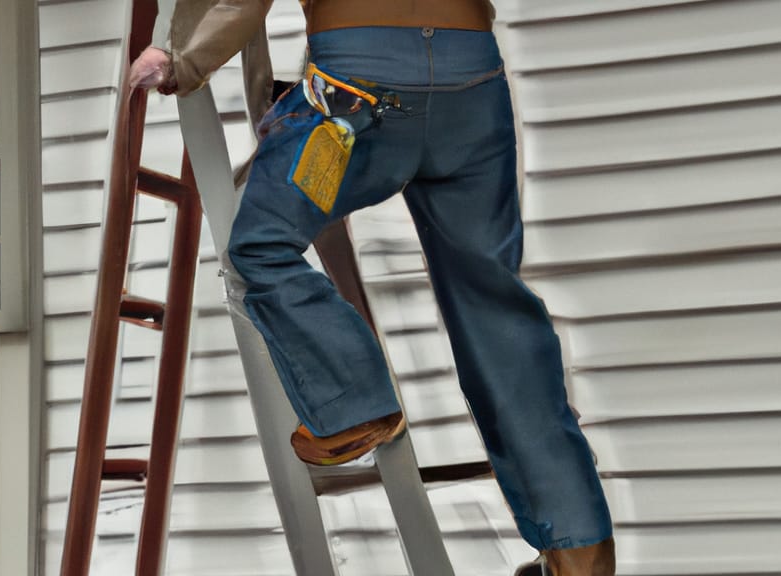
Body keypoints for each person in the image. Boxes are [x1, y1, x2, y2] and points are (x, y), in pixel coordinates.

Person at [130, 1, 615, 574]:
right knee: (495, 313)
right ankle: (579, 551)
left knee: (262, 242)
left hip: (358, 89)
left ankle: (354, 406)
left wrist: (178, 56)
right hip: (474, 82)